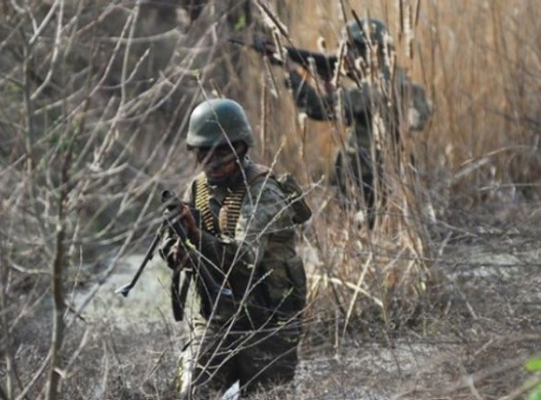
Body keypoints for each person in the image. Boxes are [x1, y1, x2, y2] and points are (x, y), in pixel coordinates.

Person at [160, 98, 309, 398]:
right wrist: (176, 251)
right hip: (218, 314)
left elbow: (244, 258)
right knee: (191, 393)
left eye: (222, 152)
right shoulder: (198, 189)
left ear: (240, 148)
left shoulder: (263, 192)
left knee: (267, 395)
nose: (212, 162)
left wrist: (197, 238)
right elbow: (174, 240)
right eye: (204, 153)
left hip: (268, 321)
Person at [285, 18, 431, 228]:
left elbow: (315, 109)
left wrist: (292, 74)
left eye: (351, 51)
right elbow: (346, 113)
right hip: (393, 181)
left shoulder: (372, 90)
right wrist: (328, 84)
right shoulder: (404, 85)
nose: (346, 59)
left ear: (372, 52)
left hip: (368, 181)